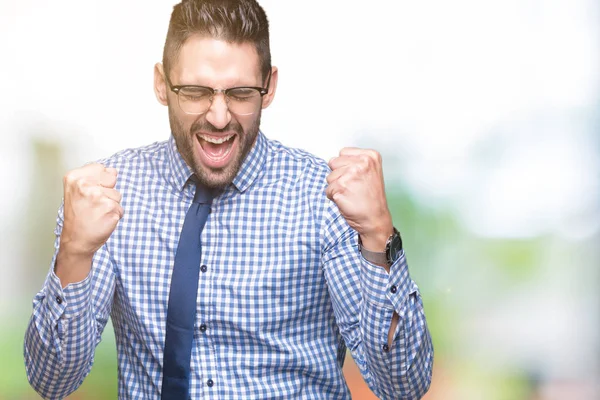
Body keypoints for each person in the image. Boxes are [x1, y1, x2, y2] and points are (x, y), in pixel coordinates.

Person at [24, 0, 433, 399]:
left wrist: (380, 237)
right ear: (161, 84)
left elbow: (403, 386)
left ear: (269, 87)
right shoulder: (107, 197)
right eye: (197, 91)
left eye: (239, 93)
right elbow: (52, 381)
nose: (219, 117)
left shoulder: (325, 200)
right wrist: (74, 254)